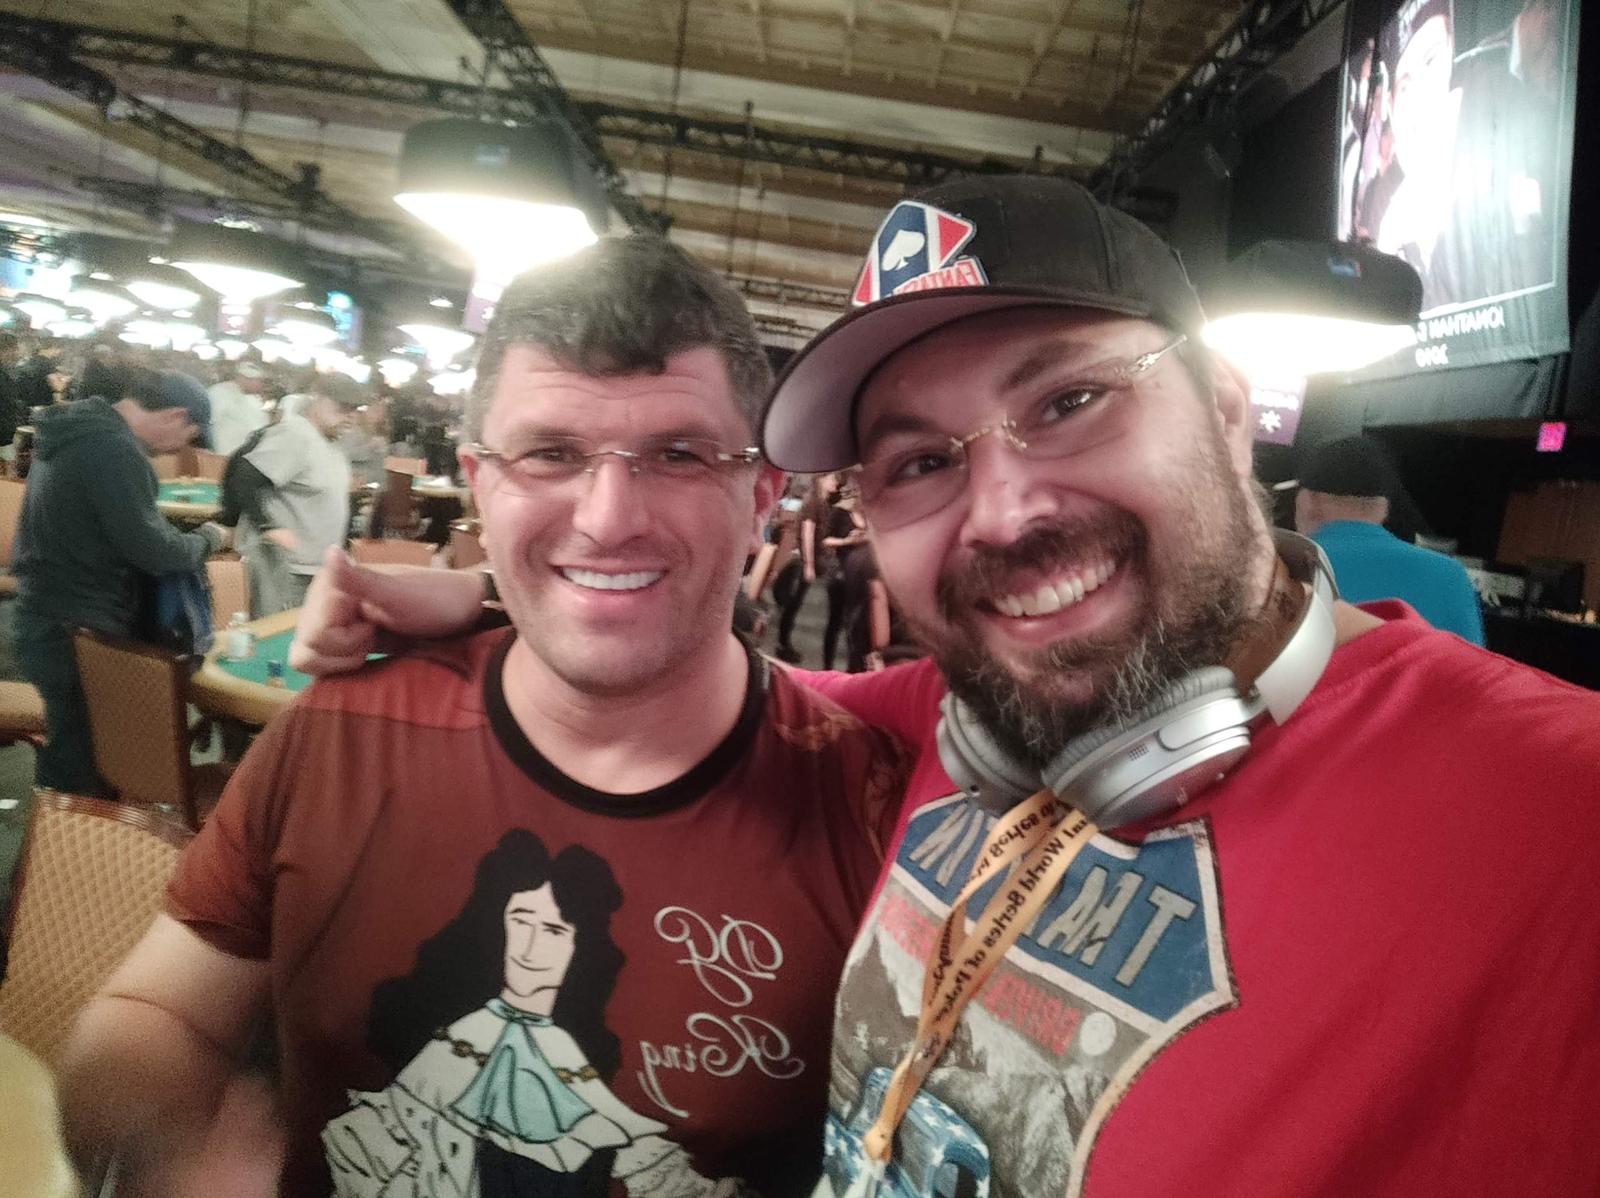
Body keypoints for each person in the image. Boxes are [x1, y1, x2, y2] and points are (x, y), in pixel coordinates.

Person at [303, 176, 1600, 1197]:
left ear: (1220, 406)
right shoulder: (965, 723)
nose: (1005, 510)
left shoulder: (1553, 813)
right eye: (919, 461)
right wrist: (505, 596)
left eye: (1070, 399)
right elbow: (711, 682)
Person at [58, 234, 906, 1198]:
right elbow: (161, 1014)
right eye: (549, 454)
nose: (607, 518)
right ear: (480, 481)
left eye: (678, 454)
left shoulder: (870, 809)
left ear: (760, 497)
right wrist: (159, 1141)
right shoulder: (343, 733)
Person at [12, 362, 227, 793]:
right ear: (176, 416)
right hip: (76, 626)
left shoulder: (79, 432)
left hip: (46, 614)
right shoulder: (112, 449)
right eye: (187, 437)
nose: (177, 450)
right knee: (86, 765)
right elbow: (155, 552)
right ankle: (70, 835)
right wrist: (209, 538)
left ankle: (62, 829)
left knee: (74, 751)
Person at [1294, 434, 1484, 644]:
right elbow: (1472, 662)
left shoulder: (1284, 564)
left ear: (1308, 501)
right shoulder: (1449, 576)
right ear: (1384, 507)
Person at [231, 373, 362, 614]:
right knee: (274, 633)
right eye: (343, 408)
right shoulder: (295, 434)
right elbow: (244, 479)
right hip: (285, 568)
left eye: (354, 410)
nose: (350, 417)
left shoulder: (331, 443)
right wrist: (268, 526)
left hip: (315, 568)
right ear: (316, 399)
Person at [208, 358, 269, 455]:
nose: (260, 384)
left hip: (243, 458)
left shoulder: (255, 400)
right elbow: (208, 422)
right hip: (220, 454)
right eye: (256, 381)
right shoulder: (219, 392)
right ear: (243, 378)